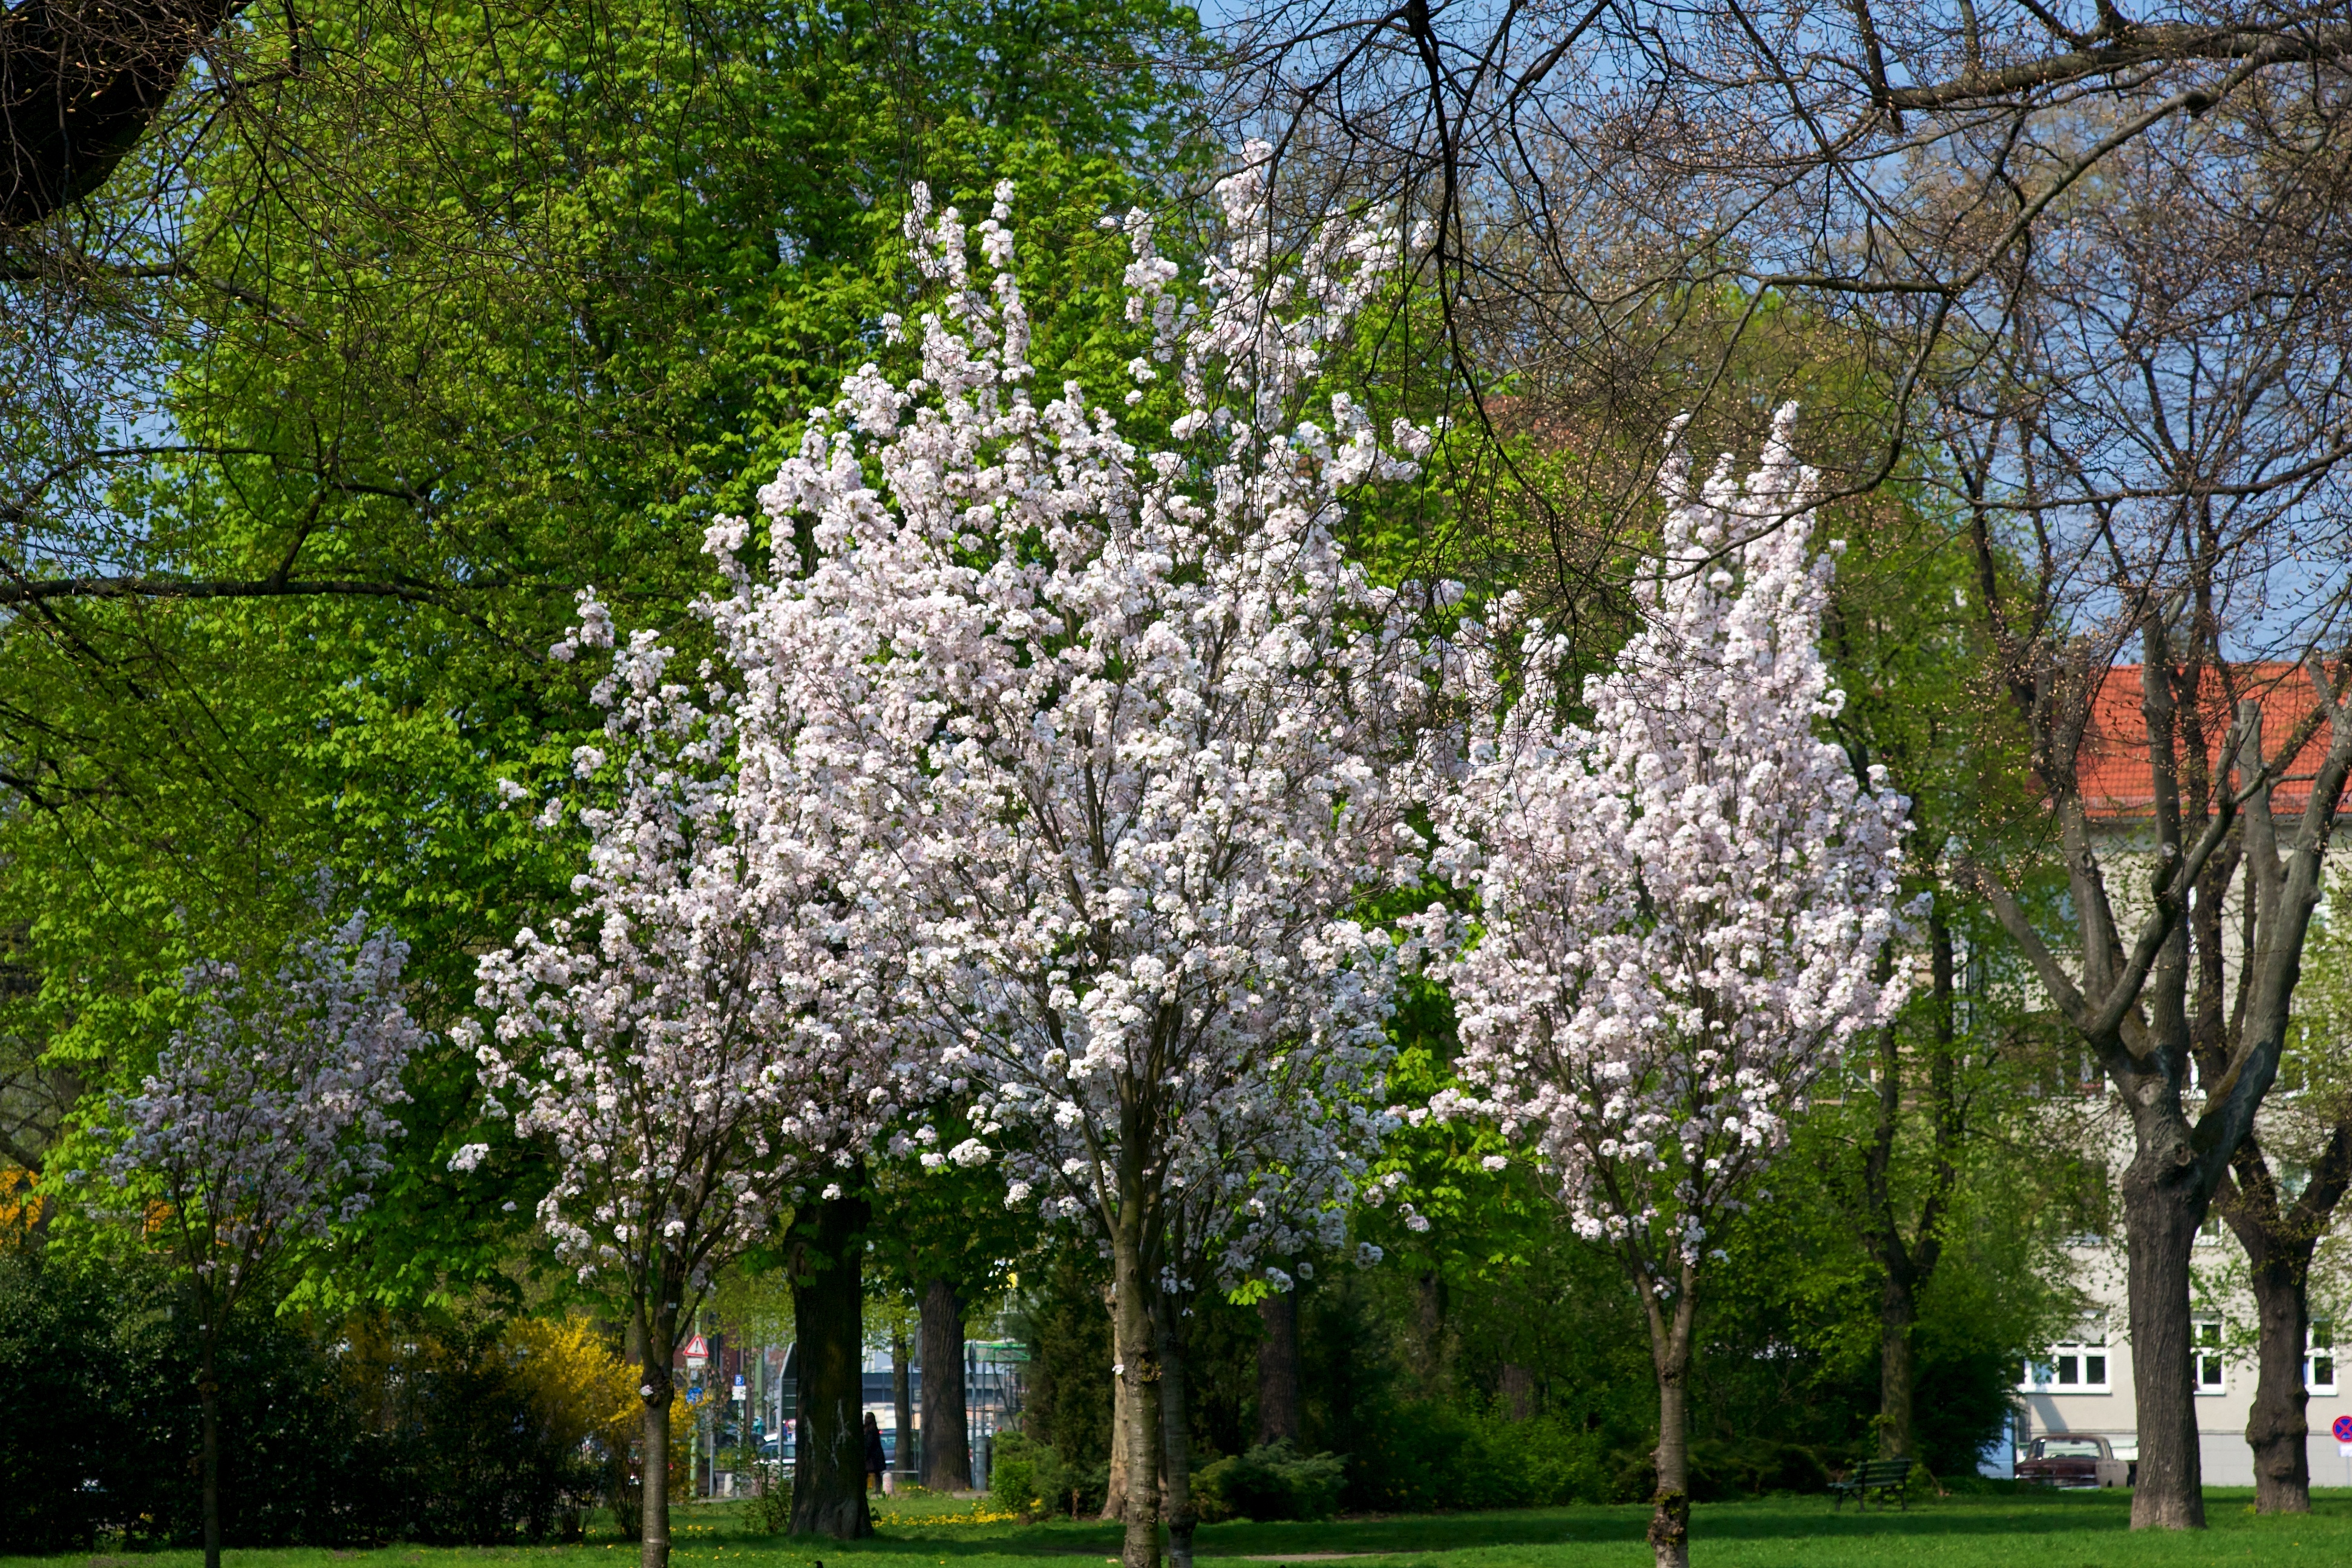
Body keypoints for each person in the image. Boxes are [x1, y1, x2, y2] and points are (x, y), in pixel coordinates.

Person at [864, 1410, 887, 1494]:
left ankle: (877, 1490)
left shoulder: (872, 1430)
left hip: (873, 1455)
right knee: (872, 1473)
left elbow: (869, 1443)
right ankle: (876, 1490)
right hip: (873, 1455)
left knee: (874, 1473)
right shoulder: (869, 1429)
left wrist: (866, 1453)